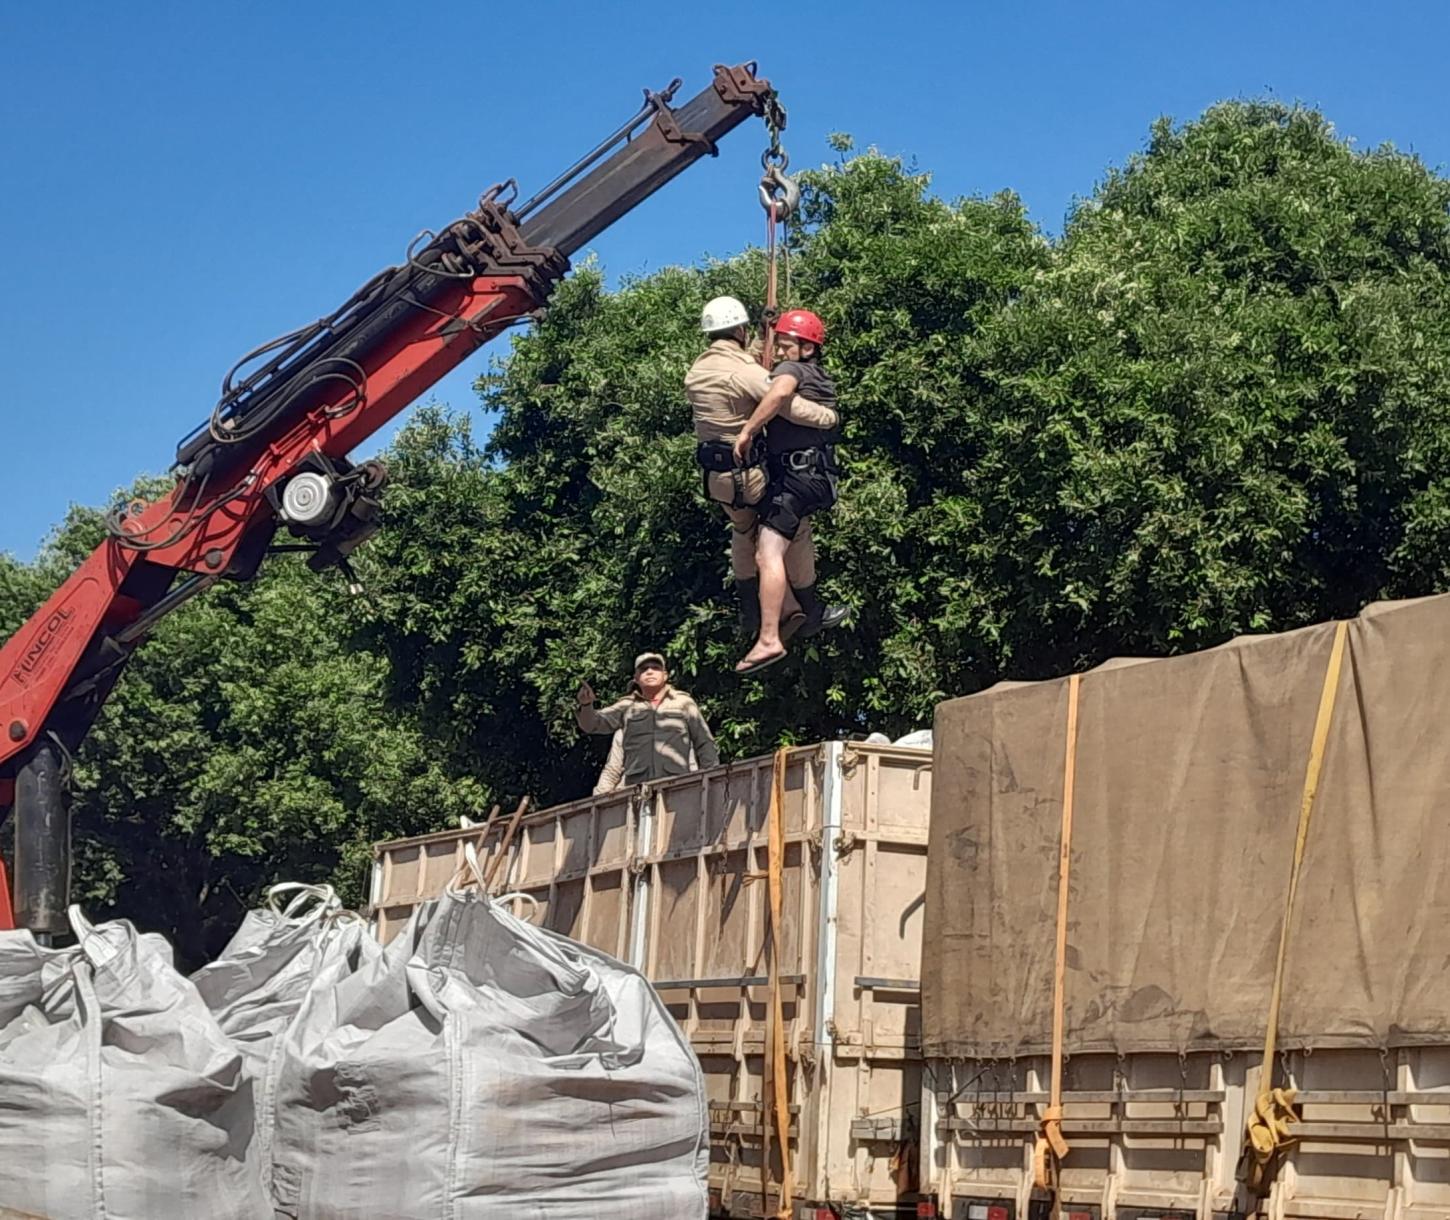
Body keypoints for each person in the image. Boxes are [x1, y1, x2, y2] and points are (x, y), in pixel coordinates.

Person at [685, 295, 847, 641]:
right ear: (739, 329)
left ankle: (750, 611)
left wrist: (764, 333)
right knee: (794, 529)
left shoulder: (698, 371)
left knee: (743, 533)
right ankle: (810, 610)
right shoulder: (743, 372)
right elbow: (782, 401)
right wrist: (827, 417)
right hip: (750, 474)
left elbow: (745, 366)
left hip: (718, 477)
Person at [732, 309, 842, 674]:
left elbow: (777, 392)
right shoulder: (816, 374)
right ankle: (806, 611)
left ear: (807, 349)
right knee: (789, 542)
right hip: (813, 475)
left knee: (767, 552)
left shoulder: (791, 371)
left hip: (797, 476)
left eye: (786, 344)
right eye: (777, 344)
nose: (779, 352)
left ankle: (767, 638)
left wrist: (748, 430)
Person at [576, 652, 719, 786]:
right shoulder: (626, 706)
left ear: (665, 676)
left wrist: (710, 780)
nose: (650, 672)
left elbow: (704, 742)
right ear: (636, 678)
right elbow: (593, 725)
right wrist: (586, 704)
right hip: (636, 789)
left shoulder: (683, 702)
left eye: (656, 668)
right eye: (644, 669)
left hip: (677, 787)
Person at [593, 728, 699, 794]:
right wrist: (597, 804)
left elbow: (691, 771)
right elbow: (612, 772)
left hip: (671, 797)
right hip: (629, 799)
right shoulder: (624, 733)